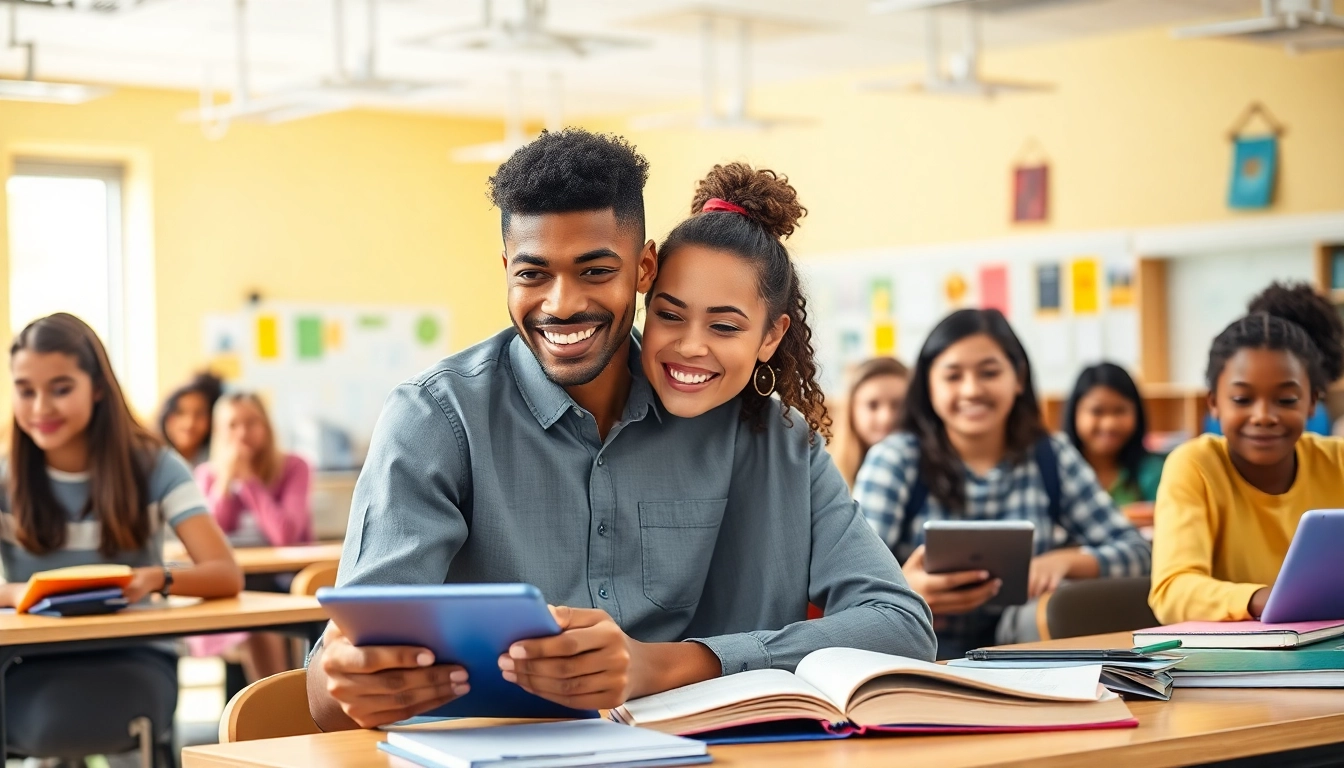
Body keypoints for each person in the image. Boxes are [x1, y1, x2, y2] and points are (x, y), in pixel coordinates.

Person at [307, 130, 935, 731]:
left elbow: (901, 626)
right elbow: (331, 689)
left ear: (643, 268)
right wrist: (348, 680)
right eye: (532, 274)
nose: (561, 303)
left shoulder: (774, 439)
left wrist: (669, 663)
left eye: (594, 270)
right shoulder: (436, 420)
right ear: (505, 269)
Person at [0, 313, 242, 761]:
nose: (40, 408)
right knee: (46, 721)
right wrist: (18, 593)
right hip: (25, 663)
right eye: (25, 389)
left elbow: (226, 574)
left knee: (75, 723)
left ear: (96, 387)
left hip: (134, 656)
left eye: (60, 388)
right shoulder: (4, 479)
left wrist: (154, 579)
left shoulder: (155, 466)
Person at [855, 309, 1151, 659]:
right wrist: (907, 592)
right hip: (922, 651)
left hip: (1028, 651)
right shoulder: (895, 458)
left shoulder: (1051, 456)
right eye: (953, 376)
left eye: (989, 372)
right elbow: (854, 583)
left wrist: (1066, 562)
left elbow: (1138, 554)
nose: (972, 390)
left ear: (1019, 378)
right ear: (929, 387)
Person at [1149, 282, 1344, 624]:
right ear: (1213, 403)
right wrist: (1258, 598)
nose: (1264, 416)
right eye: (1242, 399)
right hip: (1233, 664)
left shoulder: (1337, 460)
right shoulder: (1194, 467)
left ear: (1313, 401)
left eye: (1286, 400)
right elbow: (1172, 590)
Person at [194, 392, 313, 680]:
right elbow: (209, 535)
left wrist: (249, 481)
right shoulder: (207, 475)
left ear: (267, 427)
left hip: (283, 579)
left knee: (261, 626)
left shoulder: (294, 467)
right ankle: (272, 711)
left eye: (251, 422)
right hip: (231, 581)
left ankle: (280, 708)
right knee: (252, 626)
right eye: (232, 425)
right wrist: (225, 483)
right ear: (219, 432)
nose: (243, 433)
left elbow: (284, 534)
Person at [1062, 362, 1165, 512]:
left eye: (1120, 411)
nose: (1109, 424)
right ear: (1075, 413)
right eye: (1097, 411)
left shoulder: (1153, 472)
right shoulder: (1058, 472)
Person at [835, 357, 910, 487]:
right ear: (851, 411)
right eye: (872, 405)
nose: (886, 417)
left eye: (898, 405)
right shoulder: (826, 473)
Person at [157, 371, 223, 467]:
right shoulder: (152, 460)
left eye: (200, 414)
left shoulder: (216, 462)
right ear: (167, 417)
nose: (190, 423)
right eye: (180, 413)